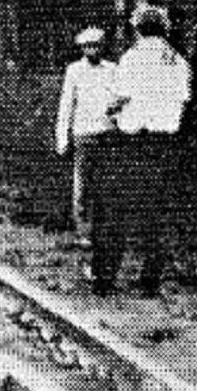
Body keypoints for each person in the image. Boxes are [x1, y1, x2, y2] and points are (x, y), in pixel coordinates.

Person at [92, 5, 192, 296]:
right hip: (165, 145)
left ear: (138, 29)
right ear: (165, 29)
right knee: (157, 215)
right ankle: (150, 281)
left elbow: (119, 98)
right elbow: (182, 101)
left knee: (114, 213)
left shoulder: (131, 59)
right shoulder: (178, 61)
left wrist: (110, 110)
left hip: (133, 144)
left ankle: (105, 279)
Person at [55, 26, 116, 245]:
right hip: (83, 134)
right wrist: (62, 138)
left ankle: (103, 232)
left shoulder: (112, 69)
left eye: (96, 46)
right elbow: (66, 105)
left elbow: (118, 99)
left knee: (105, 187)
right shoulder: (74, 71)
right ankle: (83, 231)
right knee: (82, 186)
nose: (92, 50)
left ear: (102, 47)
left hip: (107, 133)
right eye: (87, 46)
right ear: (81, 48)